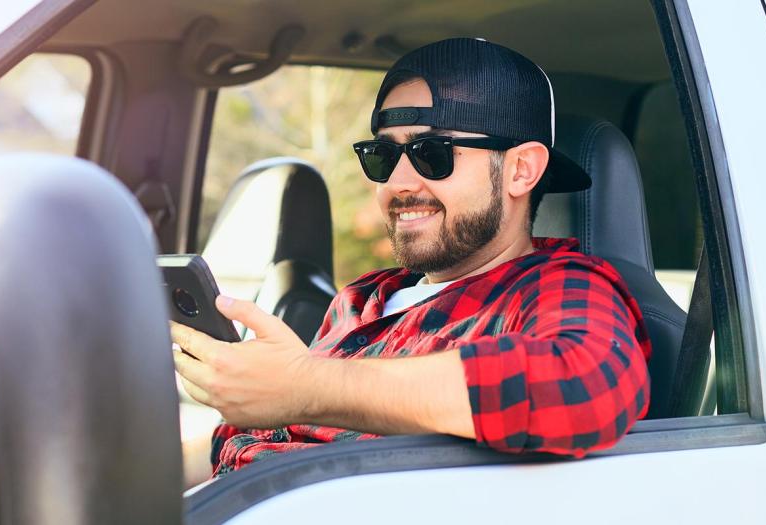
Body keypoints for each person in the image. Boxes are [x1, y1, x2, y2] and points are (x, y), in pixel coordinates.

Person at [171, 37, 651, 481]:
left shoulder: (557, 288)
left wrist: (304, 385)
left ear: (521, 170)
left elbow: (587, 386)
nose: (397, 184)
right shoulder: (361, 299)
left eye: (432, 153)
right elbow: (250, 441)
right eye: (383, 155)